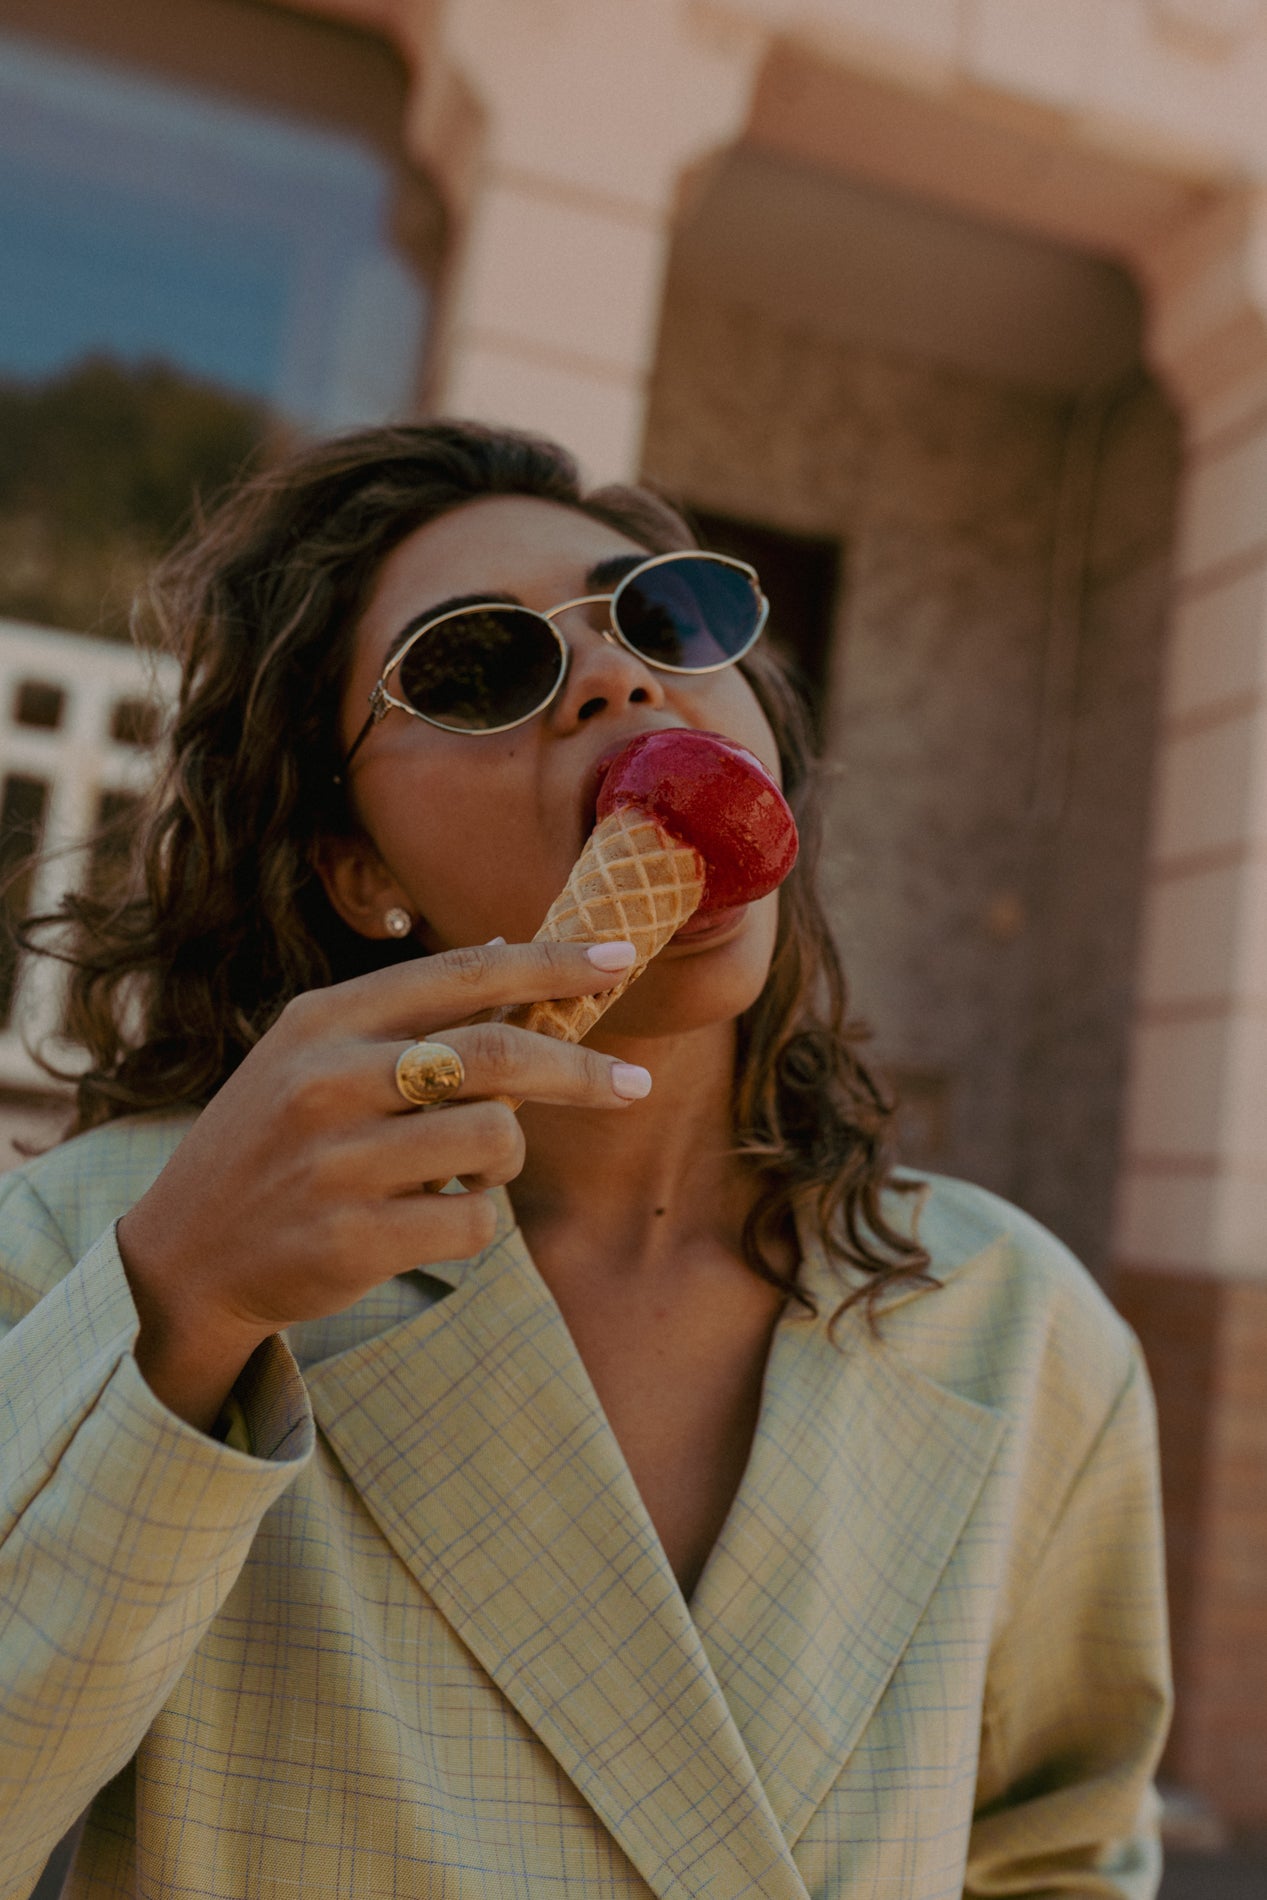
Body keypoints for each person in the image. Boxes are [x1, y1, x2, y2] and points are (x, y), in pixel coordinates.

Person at [0, 421, 1169, 1899]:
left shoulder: (1021, 1323)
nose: (619, 678)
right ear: (358, 867)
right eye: (478, 670)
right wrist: (181, 1313)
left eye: (664, 618)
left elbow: (1059, 1860)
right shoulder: (110, 1245)